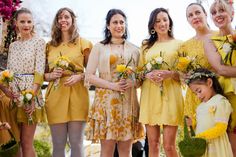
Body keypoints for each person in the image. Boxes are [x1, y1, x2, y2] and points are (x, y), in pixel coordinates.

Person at [85, 9, 144, 157]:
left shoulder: (135, 50)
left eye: (122, 22)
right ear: (108, 26)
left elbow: (141, 78)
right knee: (106, 151)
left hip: (128, 104)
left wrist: (133, 82)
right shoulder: (99, 47)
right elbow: (89, 76)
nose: (119, 25)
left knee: (126, 151)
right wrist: (112, 85)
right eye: (115, 22)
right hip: (106, 104)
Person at [44, 7, 92, 157]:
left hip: (78, 95)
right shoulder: (49, 46)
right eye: (59, 18)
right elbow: (43, 75)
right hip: (55, 96)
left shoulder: (84, 43)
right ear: (56, 22)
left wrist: (80, 76)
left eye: (66, 17)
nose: (63, 20)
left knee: (76, 143)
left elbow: (92, 73)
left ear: (73, 20)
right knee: (58, 144)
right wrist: (51, 75)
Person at [138, 8, 183, 157]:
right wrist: (147, 74)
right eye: (157, 21)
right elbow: (139, 72)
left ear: (170, 22)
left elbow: (186, 74)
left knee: (169, 146)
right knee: (153, 143)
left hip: (171, 95)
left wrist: (170, 74)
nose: (162, 23)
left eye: (165, 19)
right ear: (152, 25)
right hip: (150, 96)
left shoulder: (179, 44)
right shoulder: (145, 46)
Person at [7, 8, 46, 157]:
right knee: (17, 143)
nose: (26, 24)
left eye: (29, 21)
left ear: (33, 23)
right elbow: (9, 72)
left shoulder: (38, 42)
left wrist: (30, 97)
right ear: (16, 23)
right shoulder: (13, 46)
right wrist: (10, 92)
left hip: (30, 94)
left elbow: (39, 71)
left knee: (26, 142)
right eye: (22, 21)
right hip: (14, 96)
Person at [204, 0, 236, 155]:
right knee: (232, 143)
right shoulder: (210, 41)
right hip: (228, 96)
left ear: (232, 14)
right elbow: (221, 69)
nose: (218, 15)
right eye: (214, 12)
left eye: (221, 10)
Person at [179, 3, 215, 121]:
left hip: (216, 92)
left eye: (198, 12)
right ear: (188, 20)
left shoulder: (219, 36)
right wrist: (184, 76)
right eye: (190, 15)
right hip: (194, 96)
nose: (194, 17)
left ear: (205, 14)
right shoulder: (185, 46)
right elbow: (181, 74)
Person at [186, 68, 233, 157]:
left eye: (199, 91)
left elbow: (221, 128)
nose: (198, 96)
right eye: (195, 94)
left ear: (209, 83)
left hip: (215, 145)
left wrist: (201, 137)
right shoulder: (200, 106)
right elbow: (200, 122)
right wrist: (192, 123)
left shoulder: (220, 101)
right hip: (202, 145)